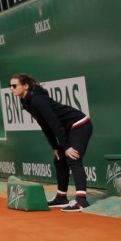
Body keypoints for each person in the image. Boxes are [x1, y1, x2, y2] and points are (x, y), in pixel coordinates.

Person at [11, 74, 92, 211]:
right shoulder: (26, 102)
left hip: (79, 125)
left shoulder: (37, 100)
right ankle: (61, 197)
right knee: (59, 160)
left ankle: (81, 201)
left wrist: (66, 146)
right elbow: (45, 125)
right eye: (10, 86)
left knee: (73, 158)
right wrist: (55, 146)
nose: (11, 89)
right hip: (67, 129)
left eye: (14, 86)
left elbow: (54, 123)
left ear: (25, 86)